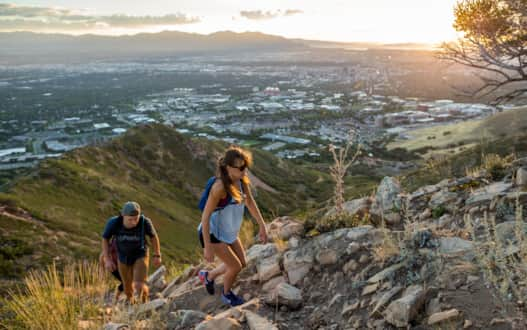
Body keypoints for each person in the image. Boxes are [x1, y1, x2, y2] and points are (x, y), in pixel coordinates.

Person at [197, 146, 268, 307]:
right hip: (213, 233)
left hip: (229, 231)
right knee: (235, 267)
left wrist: (262, 226)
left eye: (246, 166)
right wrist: (207, 246)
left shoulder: (241, 180)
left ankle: (208, 276)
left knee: (242, 263)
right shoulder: (219, 188)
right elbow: (205, 216)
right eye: (241, 167)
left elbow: (250, 202)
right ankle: (227, 294)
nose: (244, 170)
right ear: (228, 168)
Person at [101, 201, 162, 303]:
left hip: (140, 254)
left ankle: (144, 304)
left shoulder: (144, 222)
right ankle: (132, 304)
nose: (134, 222)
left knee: (138, 284)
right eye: (130, 220)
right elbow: (105, 239)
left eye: (136, 219)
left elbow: (153, 237)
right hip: (123, 257)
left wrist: (157, 254)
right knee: (127, 286)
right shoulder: (114, 223)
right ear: (123, 216)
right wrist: (107, 259)